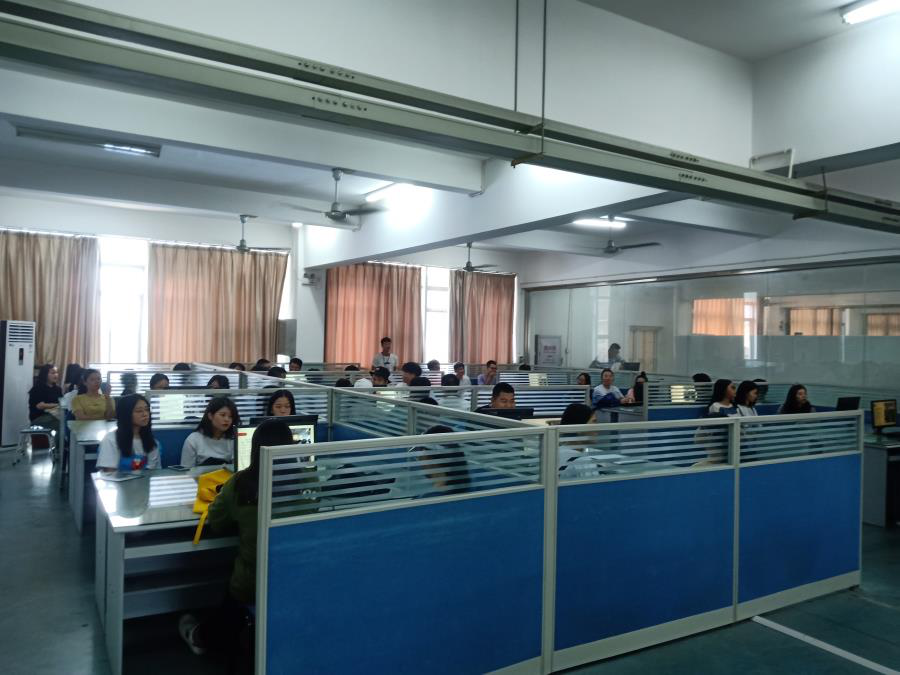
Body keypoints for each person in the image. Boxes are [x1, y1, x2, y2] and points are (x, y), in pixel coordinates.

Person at [180, 420, 298, 656]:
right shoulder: (308, 480)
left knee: (240, 581)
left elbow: (217, 523)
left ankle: (202, 638)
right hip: (296, 579)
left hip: (253, 583)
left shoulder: (240, 484)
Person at [96, 394, 160, 472]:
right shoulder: (111, 439)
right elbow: (109, 473)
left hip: (144, 480)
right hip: (116, 479)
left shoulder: (151, 441)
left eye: (147, 410)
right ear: (126, 414)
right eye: (139, 411)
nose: (145, 414)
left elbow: (152, 472)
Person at [408, 424, 471, 496]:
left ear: (430, 459)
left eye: (420, 453)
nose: (419, 459)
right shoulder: (467, 489)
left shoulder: (430, 499)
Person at [180, 397, 239, 467]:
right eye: (223, 415)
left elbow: (238, 468)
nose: (227, 419)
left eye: (230, 416)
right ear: (210, 416)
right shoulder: (193, 440)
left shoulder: (233, 439)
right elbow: (186, 470)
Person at [557, 403, 604, 480]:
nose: (598, 429)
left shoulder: (556, 453)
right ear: (579, 428)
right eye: (594, 422)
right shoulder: (581, 462)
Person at [28, 364, 62, 431]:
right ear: (45, 374)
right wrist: (57, 405)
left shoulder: (58, 389)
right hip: (39, 418)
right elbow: (40, 406)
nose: (56, 375)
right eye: (53, 373)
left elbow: (62, 402)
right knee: (62, 423)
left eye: (56, 373)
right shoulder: (37, 388)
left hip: (54, 416)